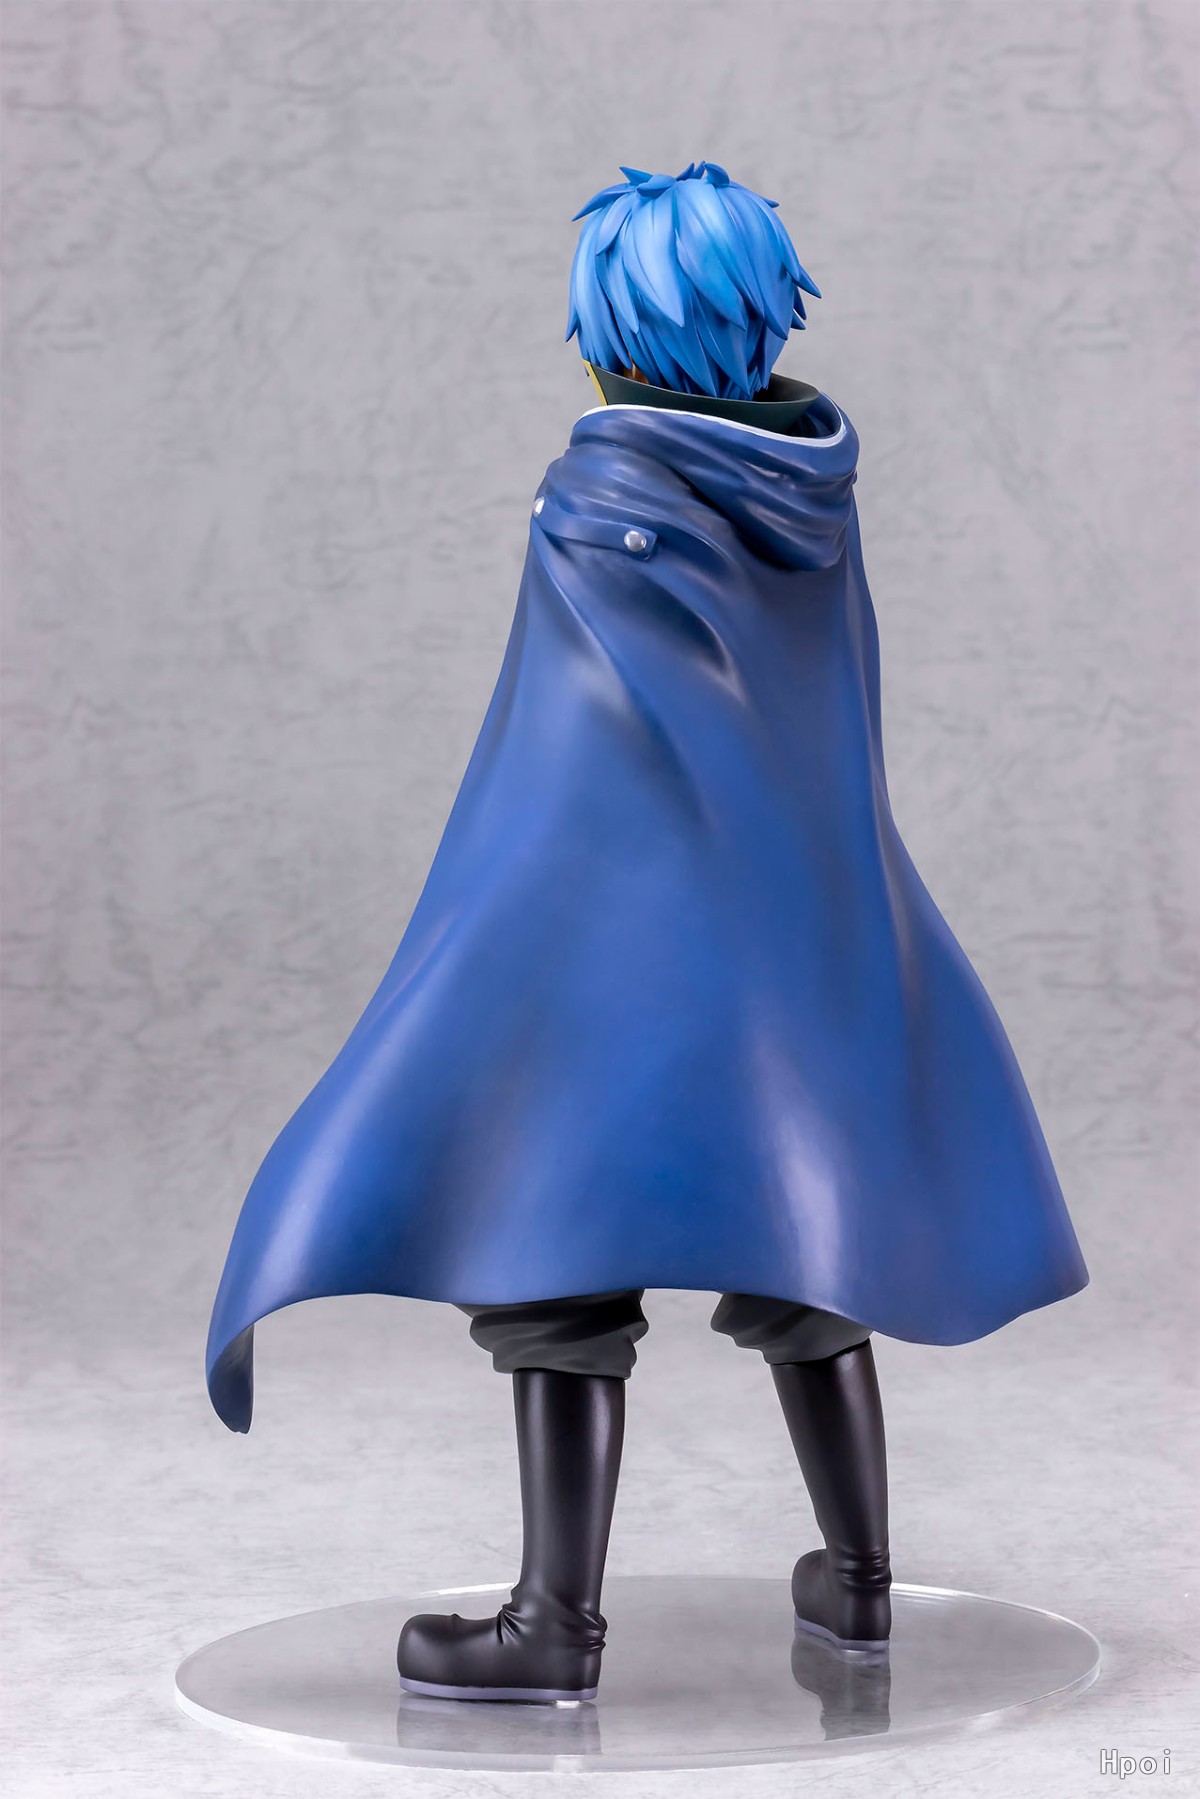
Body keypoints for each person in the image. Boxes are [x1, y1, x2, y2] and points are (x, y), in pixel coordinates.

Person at [205, 162, 1089, 1704]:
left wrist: (475, 957)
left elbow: (552, 770)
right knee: (810, 1251)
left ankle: (554, 1625)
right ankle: (860, 1587)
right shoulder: (814, 499)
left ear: (613, 341)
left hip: (604, 962)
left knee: (557, 1264)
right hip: (801, 948)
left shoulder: (597, 507)